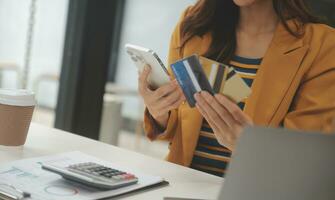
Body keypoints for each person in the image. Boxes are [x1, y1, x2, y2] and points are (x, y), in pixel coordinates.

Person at [138, 0, 335, 177]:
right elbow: (174, 134)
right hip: (181, 185)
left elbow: (305, 160)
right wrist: (159, 112)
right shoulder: (192, 26)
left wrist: (249, 148)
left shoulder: (323, 45)